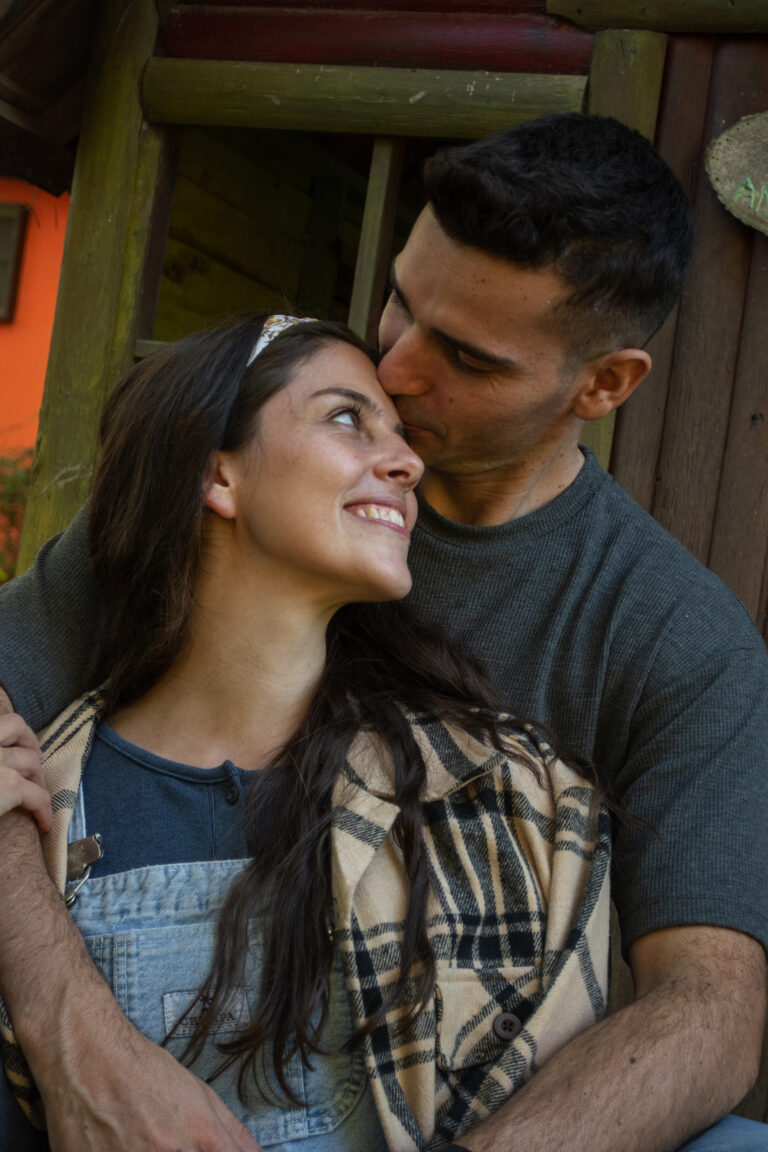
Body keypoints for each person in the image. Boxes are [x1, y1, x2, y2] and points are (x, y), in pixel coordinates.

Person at [0, 112, 766, 1152]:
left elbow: (711, 1007)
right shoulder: (220, 509)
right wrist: (76, 1038)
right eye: (401, 300)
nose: (396, 369)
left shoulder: (673, 638)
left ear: (603, 383)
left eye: (465, 357)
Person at [0, 313, 610, 1151]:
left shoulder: (503, 791)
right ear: (217, 474)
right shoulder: (39, 803)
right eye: (348, 418)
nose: (407, 464)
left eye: (399, 436)